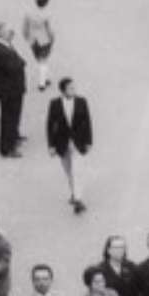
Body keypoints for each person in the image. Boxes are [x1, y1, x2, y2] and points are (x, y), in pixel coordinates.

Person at [46, 76, 92, 214]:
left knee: (77, 170)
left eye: (74, 87)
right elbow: (49, 125)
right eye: (71, 88)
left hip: (78, 142)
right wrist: (51, 145)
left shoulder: (82, 101)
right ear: (63, 90)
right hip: (62, 143)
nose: (74, 90)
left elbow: (88, 121)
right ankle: (74, 192)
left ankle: (78, 199)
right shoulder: (54, 104)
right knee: (69, 171)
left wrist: (89, 141)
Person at [0, 22, 27, 159]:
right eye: (8, 31)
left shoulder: (4, 44)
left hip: (12, 88)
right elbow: (13, 66)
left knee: (14, 115)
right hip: (8, 90)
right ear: (0, 33)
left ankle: (14, 136)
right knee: (9, 117)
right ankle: (7, 148)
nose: (11, 32)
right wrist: (22, 63)